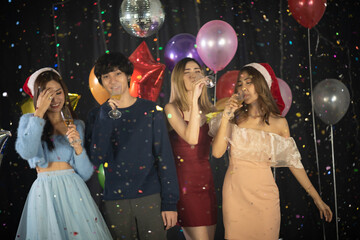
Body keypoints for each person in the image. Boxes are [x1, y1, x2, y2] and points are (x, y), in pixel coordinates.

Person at [210, 63, 333, 240]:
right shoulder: (235, 118)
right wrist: (226, 116)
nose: (243, 87)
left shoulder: (279, 123)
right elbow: (217, 153)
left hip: (265, 196)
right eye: (240, 83)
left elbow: (294, 162)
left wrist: (316, 198)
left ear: (262, 85)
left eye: (249, 82)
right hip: (235, 193)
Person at [85, 52, 179, 240]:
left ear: (128, 76)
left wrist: (170, 203)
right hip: (114, 201)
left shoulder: (150, 111)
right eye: (106, 76)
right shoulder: (97, 115)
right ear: (101, 82)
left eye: (117, 73)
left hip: (150, 197)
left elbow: (165, 158)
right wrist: (106, 117)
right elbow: (96, 158)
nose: (112, 80)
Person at [15, 68, 112, 239]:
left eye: (58, 92)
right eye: (48, 94)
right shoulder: (29, 121)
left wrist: (78, 148)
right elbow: (26, 152)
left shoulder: (76, 124)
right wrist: (38, 113)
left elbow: (85, 172)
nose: (55, 99)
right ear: (39, 97)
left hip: (72, 188)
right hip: (44, 190)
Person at [165, 58, 217, 240]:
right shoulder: (171, 109)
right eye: (187, 71)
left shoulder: (209, 110)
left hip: (207, 183)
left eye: (197, 70)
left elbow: (219, 149)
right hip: (185, 186)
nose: (194, 75)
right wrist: (194, 99)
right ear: (179, 78)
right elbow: (192, 138)